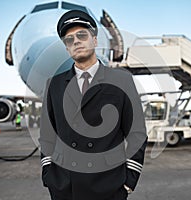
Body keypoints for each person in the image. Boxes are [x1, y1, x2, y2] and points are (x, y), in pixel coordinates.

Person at [39, 10, 147, 200]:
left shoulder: (121, 80)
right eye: (69, 39)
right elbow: (47, 135)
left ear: (95, 41)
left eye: (82, 35)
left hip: (109, 186)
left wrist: (129, 181)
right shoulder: (54, 84)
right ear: (67, 48)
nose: (76, 41)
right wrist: (49, 175)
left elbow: (136, 133)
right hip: (65, 186)